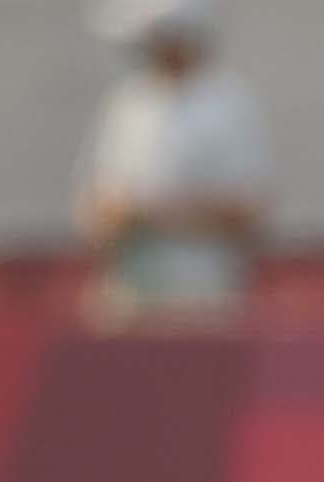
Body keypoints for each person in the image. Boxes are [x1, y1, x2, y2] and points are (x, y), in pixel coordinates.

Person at [74, 0, 273, 332]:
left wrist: (156, 214)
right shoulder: (128, 103)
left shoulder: (228, 105)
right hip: (131, 303)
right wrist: (111, 219)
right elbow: (94, 203)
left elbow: (250, 209)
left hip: (204, 304)